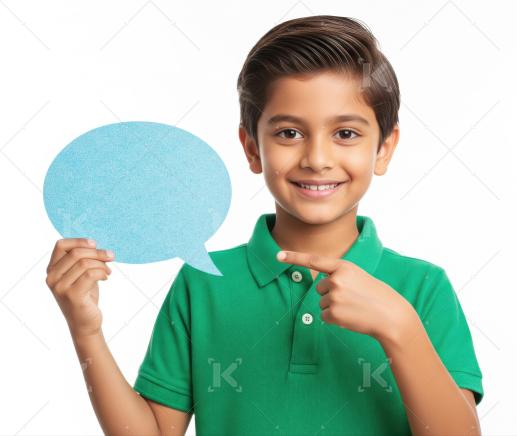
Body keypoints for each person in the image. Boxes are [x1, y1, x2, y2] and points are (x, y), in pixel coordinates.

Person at [45, 15, 483, 435]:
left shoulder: (423, 289)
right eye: (289, 133)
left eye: (345, 134)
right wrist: (86, 331)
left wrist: (399, 328)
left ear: (384, 149)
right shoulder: (204, 284)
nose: (316, 159)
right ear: (252, 148)